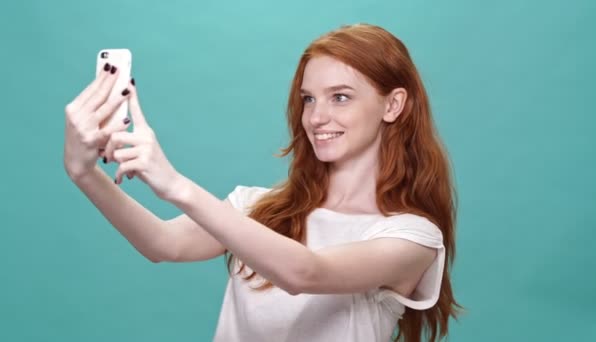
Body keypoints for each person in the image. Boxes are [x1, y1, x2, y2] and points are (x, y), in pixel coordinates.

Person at [63, 23, 462, 342]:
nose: (317, 117)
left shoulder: (411, 237)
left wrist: (175, 185)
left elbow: (305, 273)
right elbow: (162, 244)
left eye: (340, 97)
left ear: (393, 105)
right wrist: (84, 173)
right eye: (309, 98)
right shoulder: (256, 208)